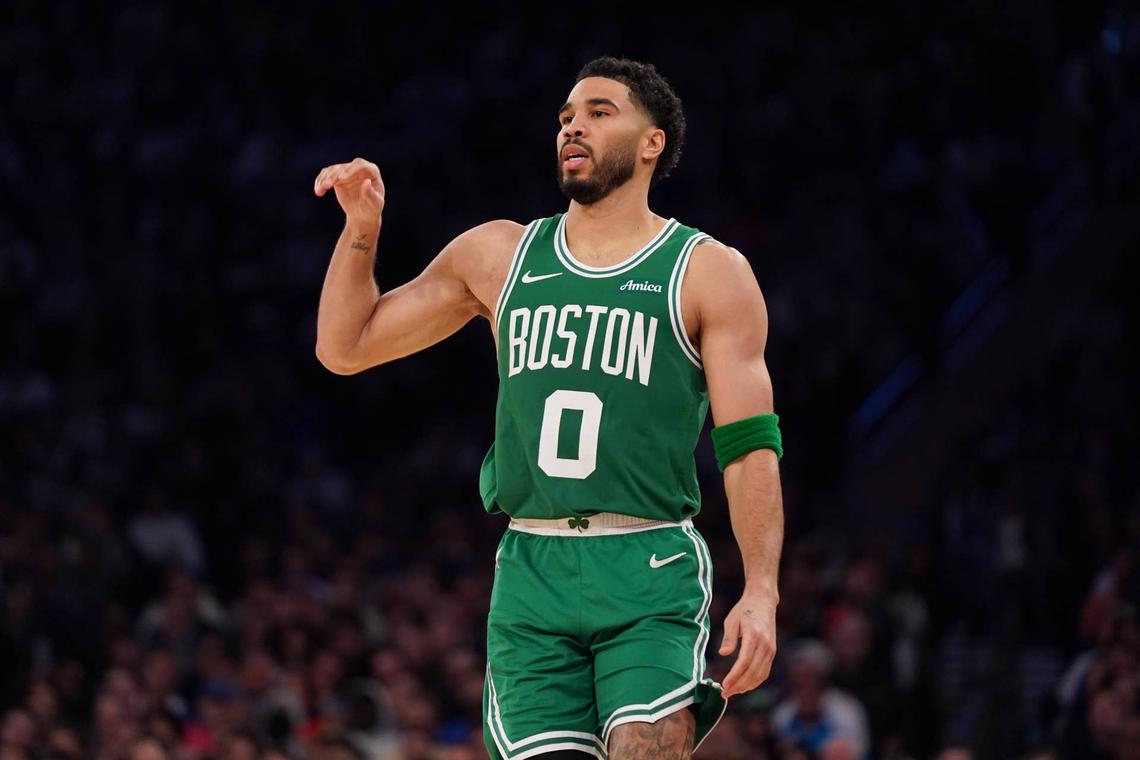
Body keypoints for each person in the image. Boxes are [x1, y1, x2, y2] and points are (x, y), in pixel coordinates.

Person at [313, 56, 785, 760]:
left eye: (599, 112)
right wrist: (362, 228)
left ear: (652, 142)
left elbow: (748, 445)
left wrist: (762, 590)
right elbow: (343, 347)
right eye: (566, 116)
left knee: (646, 745)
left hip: (648, 561)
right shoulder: (499, 254)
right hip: (532, 567)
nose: (573, 126)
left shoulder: (708, 271)